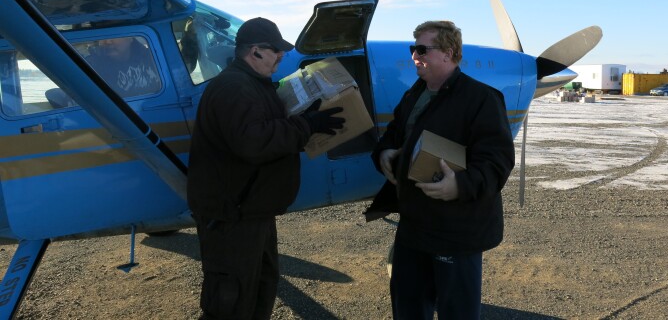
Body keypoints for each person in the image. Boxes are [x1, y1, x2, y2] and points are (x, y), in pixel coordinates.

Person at [187, 17, 345, 320]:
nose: (282, 57)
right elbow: (253, 142)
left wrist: (306, 116)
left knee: (259, 290)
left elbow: (270, 127)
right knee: (231, 302)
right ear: (256, 51)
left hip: (252, 211)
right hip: (231, 217)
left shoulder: (253, 85)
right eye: (276, 50)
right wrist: (306, 125)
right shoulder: (234, 88)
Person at [365, 20, 515, 320]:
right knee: (407, 305)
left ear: (448, 52)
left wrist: (459, 185)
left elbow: (496, 161)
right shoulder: (415, 94)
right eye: (413, 48)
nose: (413, 56)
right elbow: (394, 134)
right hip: (414, 225)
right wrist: (383, 153)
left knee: (456, 311)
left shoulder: (482, 99)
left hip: (457, 229)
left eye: (421, 49)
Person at [85, 36, 161, 97]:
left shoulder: (155, 58)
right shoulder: (89, 67)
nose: (107, 41)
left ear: (130, 37)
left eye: (114, 34)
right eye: (102, 35)